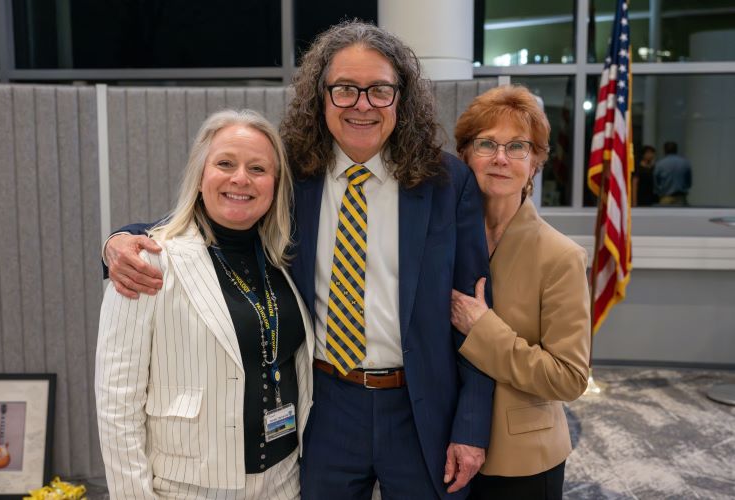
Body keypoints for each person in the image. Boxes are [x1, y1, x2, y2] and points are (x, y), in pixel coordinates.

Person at [103, 20, 494, 500]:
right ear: (321, 95)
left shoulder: (445, 182)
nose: (362, 105)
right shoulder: (293, 171)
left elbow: (477, 314)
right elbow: (214, 212)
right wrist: (122, 240)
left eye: (379, 90)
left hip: (420, 408)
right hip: (326, 407)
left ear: (402, 97)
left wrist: (472, 425)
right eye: (345, 90)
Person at [95, 109, 314, 500]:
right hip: (187, 488)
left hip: (284, 483)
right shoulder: (147, 261)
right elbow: (117, 403)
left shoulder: (285, 262)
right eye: (225, 163)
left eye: (258, 168)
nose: (240, 178)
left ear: (275, 184)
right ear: (200, 176)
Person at [450, 84, 590, 500]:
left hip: (523, 462)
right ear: (464, 155)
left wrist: (483, 329)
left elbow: (569, 378)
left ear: (535, 163)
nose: (500, 158)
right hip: (443, 447)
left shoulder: (561, 257)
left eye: (517, 147)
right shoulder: (443, 244)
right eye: (487, 143)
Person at [654, 141, 692, 206]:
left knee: (664, 215)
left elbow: (656, 182)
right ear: (676, 150)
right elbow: (689, 182)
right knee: (681, 215)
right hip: (681, 197)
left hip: (665, 197)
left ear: (664, 150)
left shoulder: (660, 164)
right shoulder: (684, 163)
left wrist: (660, 191)